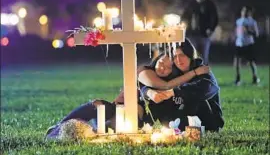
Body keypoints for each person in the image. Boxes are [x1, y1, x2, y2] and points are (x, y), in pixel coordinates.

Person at [45, 52, 209, 139]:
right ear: (156, 59)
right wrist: (194, 72)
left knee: (106, 129)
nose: (163, 68)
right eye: (161, 62)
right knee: (98, 105)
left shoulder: (171, 82)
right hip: (118, 108)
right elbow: (157, 86)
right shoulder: (145, 71)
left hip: (134, 120)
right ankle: (60, 126)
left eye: (167, 67)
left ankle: (80, 131)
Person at [138, 38, 224, 132]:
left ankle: (180, 129)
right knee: (160, 97)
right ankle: (144, 125)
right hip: (180, 121)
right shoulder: (175, 72)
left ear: (190, 55)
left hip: (208, 122)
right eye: (175, 56)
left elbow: (206, 89)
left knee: (192, 96)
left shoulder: (202, 70)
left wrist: (174, 92)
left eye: (182, 55)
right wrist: (148, 91)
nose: (178, 60)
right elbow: (151, 84)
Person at [182, 0, 219, 65]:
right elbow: (184, 17)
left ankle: (205, 77)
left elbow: (215, 18)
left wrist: (211, 29)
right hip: (191, 35)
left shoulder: (209, 4)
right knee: (193, 57)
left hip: (204, 35)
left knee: (204, 58)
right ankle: (194, 77)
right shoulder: (190, 4)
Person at [234, 6, 260, 86]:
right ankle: (238, 79)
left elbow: (256, 34)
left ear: (249, 12)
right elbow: (237, 32)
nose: (243, 12)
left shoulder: (252, 22)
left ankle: (255, 77)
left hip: (248, 44)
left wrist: (249, 31)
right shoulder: (238, 21)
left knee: (251, 62)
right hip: (239, 43)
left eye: (245, 11)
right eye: (243, 11)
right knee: (237, 61)